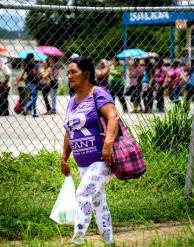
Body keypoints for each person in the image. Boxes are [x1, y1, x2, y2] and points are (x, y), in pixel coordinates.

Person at [61, 57, 119, 245]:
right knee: (98, 203)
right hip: (83, 164)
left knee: (82, 195)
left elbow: (113, 117)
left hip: (101, 160)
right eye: (68, 72)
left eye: (73, 72)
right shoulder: (71, 101)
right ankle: (110, 242)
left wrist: (108, 143)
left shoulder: (98, 93)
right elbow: (69, 131)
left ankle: (76, 241)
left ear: (86, 74)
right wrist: (64, 157)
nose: (69, 76)